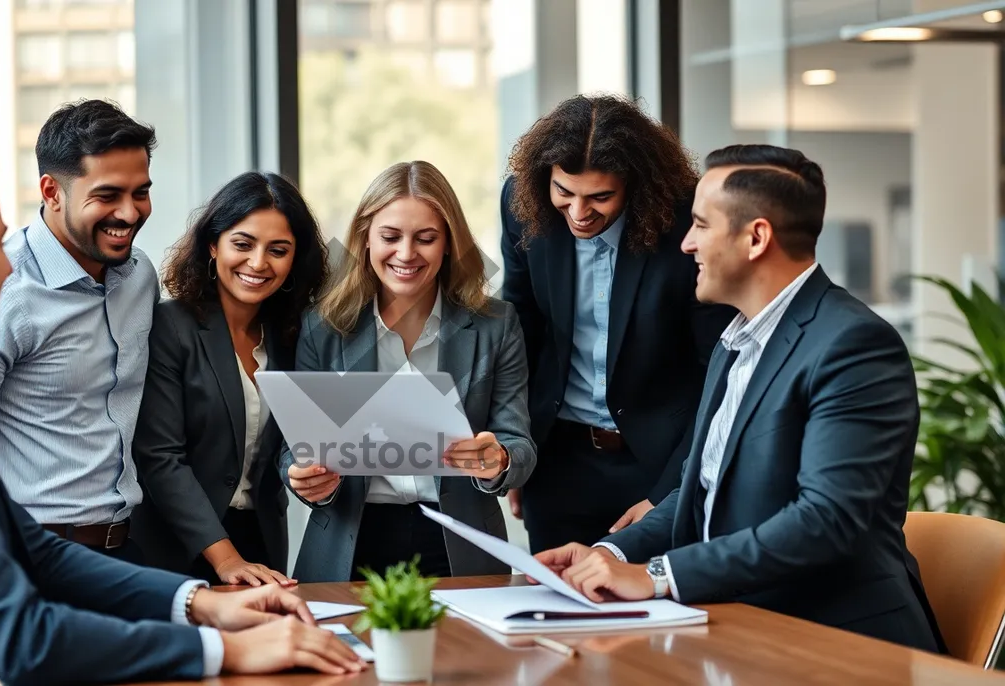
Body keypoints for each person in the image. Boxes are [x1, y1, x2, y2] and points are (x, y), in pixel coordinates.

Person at [0, 119, 365, 685]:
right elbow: (19, 637)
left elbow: (33, 550)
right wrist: (226, 651)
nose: (9, 264)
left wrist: (202, 603)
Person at [535, 144, 945, 653]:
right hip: (741, 630)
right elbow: (698, 488)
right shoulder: (736, 340)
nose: (685, 245)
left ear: (756, 238)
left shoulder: (853, 344)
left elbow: (824, 521)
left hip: (837, 645)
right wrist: (608, 554)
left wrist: (658, 575)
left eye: (701, 226)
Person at [499, 93, 736, 553]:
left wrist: (670, 491)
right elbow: (520, 330)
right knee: (557, 611)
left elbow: (718, 370)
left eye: (600, 197)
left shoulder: (684, 219)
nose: (579, 213)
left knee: (656, 615)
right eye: (564, 193)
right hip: (559, 461)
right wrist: (517, 451)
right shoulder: (520, 201)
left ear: (636, 185)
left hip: (660, 461)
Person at [281, 161, 537, 582]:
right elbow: (292, 445)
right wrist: (300, 474)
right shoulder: (322, 326)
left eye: (426, 239)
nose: (406, 254)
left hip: (459, 542)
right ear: (365, 239)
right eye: (390, 236)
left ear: (449, 244)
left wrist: (499, 458)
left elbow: (519, 443)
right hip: (349, 541)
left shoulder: (496, 324)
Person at [0, 99, 160, 560]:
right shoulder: (3, 289)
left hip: (125, 548)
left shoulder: (140, 275)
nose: (129, 213)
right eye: (107, 196)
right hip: (31, 552)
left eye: (140, 192)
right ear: (51, 191)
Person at [131, 172, 329, 585]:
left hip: (261, 544)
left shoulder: (293, 338)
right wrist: (227, 561)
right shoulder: (171, 326)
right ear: (212, 244)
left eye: (278, 250)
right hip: (175, 550)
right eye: (242, 244)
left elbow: (291, 452)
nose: (258, 263)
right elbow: (160, 458)